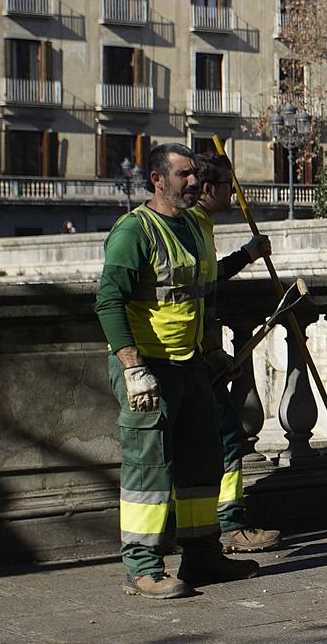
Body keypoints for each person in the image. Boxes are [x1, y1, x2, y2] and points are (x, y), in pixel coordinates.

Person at [93, 144, 268, 599]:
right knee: (148, 468)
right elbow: (108, 301)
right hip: (149, 366)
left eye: (194, 174)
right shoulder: (134, 232)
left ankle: (202, 555)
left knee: (200, 463)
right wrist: (132, 367)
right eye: (184, 174)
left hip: (189, 365)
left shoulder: (193, 225)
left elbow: (201, 288)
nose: (195, 182)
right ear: (157, 179)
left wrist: (246, 257)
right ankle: (142, 566)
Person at [194, 151, 281, 552]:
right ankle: (229, 524)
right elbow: (194, 293)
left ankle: (207, 531)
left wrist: (247, 254)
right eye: (231, 187)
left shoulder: (197, 226)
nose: (235, 194)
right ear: (208, 188)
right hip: (189, 355)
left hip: (194, 351)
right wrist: (210, 349)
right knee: (227, 437)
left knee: (210, 440)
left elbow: (207, 280)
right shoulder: (192, 226)